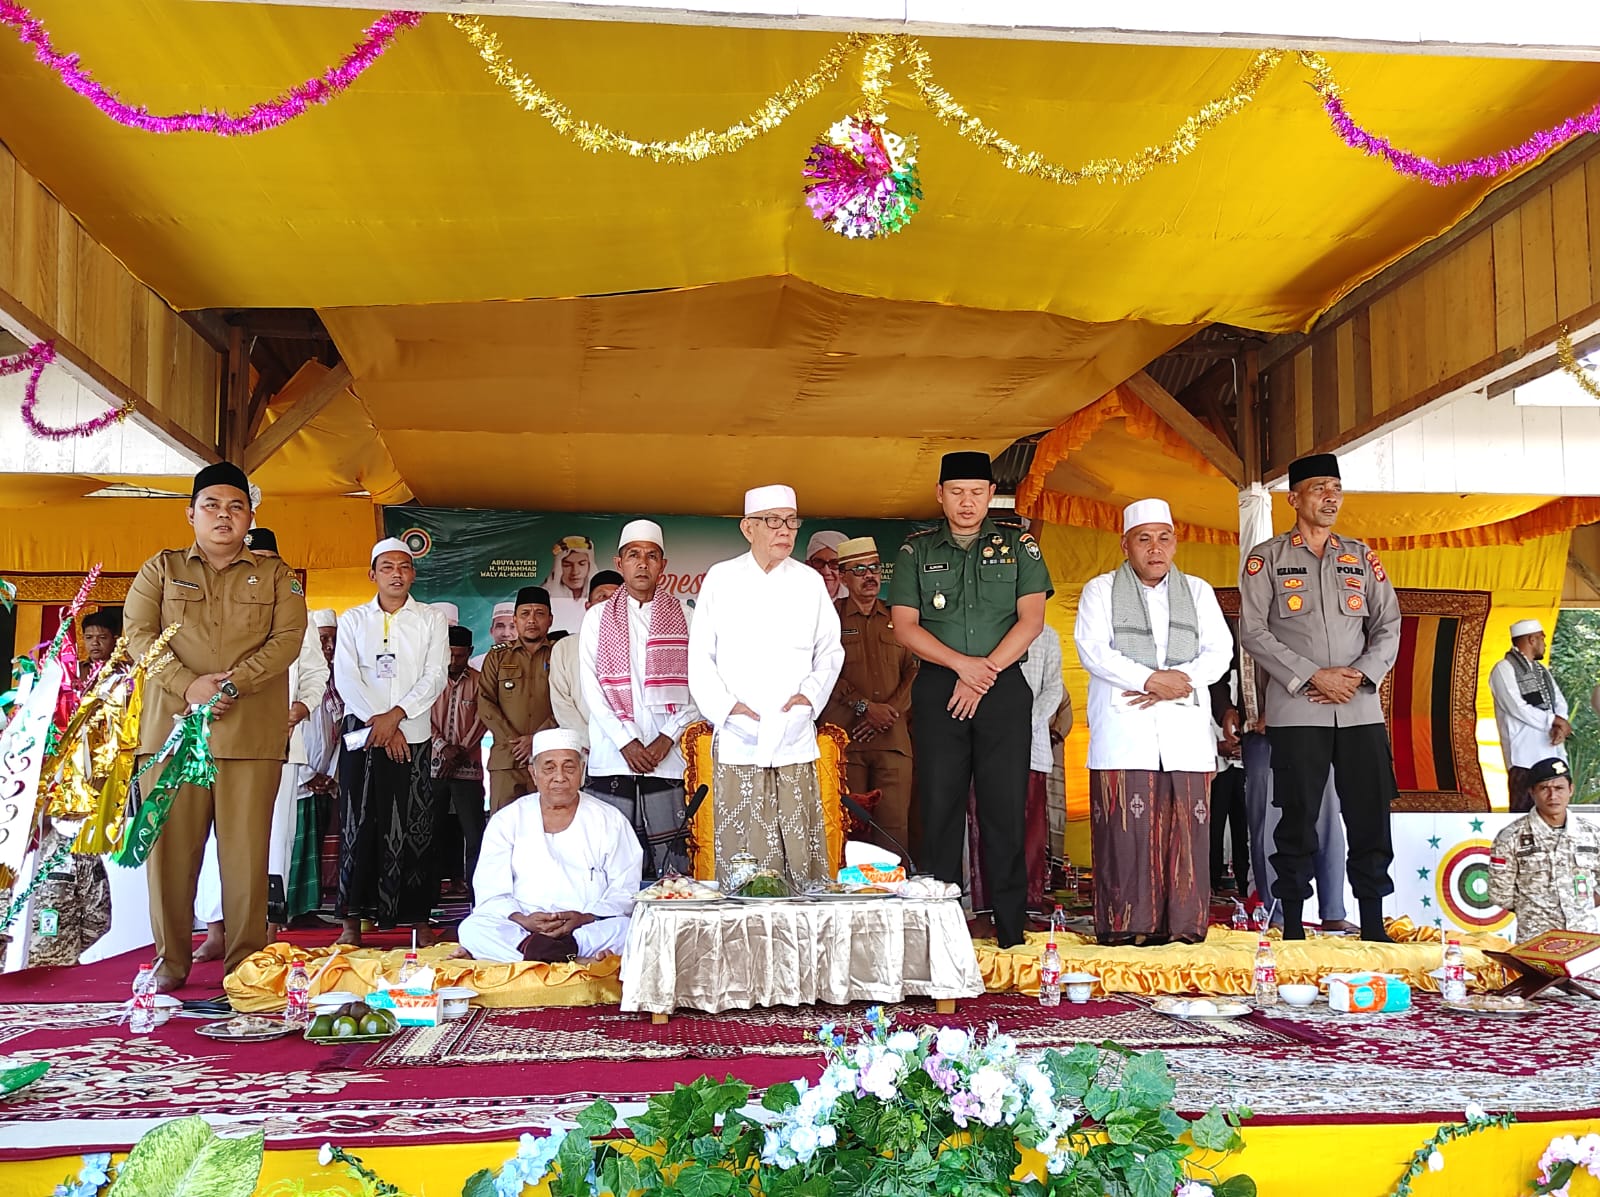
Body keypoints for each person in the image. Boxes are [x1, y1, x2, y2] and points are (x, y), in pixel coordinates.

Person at [123, 461, 307, 991]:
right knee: (169, 854)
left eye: (235, 507)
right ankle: (170, 961)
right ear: (191, 514)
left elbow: (288, 640)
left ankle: (244, 966)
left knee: (246, 858)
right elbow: (137, 635)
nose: (223, 516)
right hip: (174, 736)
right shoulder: (159, 569)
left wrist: (231, 685)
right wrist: (189, 685)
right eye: (211, 506)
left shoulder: (278, 576)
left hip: (249, 738)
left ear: (250, 516)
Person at [889, 452, 1051, 949]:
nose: (967, 502)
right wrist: (962, 667)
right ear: (940, 495)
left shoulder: (1019, 546)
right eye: (957, 492)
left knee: (1005, 809)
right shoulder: (916, 551)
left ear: (991, 495)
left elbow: (1032, 620)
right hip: (941, 688)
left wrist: (982, 673)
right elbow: (904, 626)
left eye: (977, 492)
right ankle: (939, 933)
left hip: (1002, 688)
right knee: (940, 808)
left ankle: (1009, 931)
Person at [1239, 452, 1402, 942]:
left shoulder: (1360, 556)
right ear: (1294, 499)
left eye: (1336, 488)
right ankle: (1291, 926)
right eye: (1319, 489)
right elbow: (1253, 631)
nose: (1330, 498)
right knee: (1296, 818)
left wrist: (1359, 674)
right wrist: (1312, 676)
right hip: (1298, 709)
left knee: (1370, 817)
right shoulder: (1267, 558)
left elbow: (1389, 624)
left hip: (1359, 707)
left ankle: (1372, 926)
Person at [1074, 499, 1232, 945]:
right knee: (1127, 834)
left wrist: (1178, 681)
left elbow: (1219, 651)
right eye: (1144, 539)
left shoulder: (1197, 591)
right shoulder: (1100, 590)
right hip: (1126, 729)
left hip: (1184, 730)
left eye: (1164, 538)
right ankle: (1127, 927)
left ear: (1175, 544)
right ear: (1125, 545)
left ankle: (1183, 928)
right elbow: (1093, 650)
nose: (1155, 548)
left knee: (1186, 834)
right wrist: (1148, 679)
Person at [688, 485, 844, 888]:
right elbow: (700, 658)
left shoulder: (809, 581)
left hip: (794, 734)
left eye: (791, 521)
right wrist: (729, 710)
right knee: (745, 855)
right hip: (739, 737)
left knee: (799, 847)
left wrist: (808, 699)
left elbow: (830, 651)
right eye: (773, 521)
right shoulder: (721, 579)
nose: (785, 530)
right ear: (748, 528)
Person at [334, 537, 449, 946]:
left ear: (413, 574)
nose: (396, 574)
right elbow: (346, 677)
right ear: (372, 574)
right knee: (358, 824)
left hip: (412, 735)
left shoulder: (431, 619)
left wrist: (397, 716)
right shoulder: (353, 619)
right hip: (364, 737)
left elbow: (435, 675)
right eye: (387, 567)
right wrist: (381, 725)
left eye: (404, 567)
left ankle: (417, 919)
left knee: (416, 826)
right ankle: (351, 923)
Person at [456, 728, 644, 962]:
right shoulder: (508, 819)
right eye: (549, 768)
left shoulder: (610, 819)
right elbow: (490, 890)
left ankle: (537, 956)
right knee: (472, 929)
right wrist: (524, 920)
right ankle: (571, 959)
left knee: (632, 929)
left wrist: (584, 917)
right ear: (533, 773)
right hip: (524, 928)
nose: (559, 777)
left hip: (584, 929)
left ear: (582, 770)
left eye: (569, 767)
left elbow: (625, 890)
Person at [581, 523, 699, 879]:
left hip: (668, 759)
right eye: (634, 555)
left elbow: (700, 686)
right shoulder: (597, 617)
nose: (643, 563)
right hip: (613, 757)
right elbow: (592, 687)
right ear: (620, 563)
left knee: (674, 863)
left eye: (651, 556)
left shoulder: (687, 617)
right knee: (610, 862)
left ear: (663, 565)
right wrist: (625, 741)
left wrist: (667, 738)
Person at [820, 536, 918, 858]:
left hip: (892, 741)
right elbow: (821, 670)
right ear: (843, 577)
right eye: (859, 570)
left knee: (894, 831)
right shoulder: (829, 618)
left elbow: (915, 671)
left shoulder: (898, 617)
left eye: (874, 568)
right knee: (849, 830)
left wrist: (887, 712)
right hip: (846, 742)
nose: (869, 576)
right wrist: (863, 706)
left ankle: (894, 888)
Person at [1488, 756, 1600, 941]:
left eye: (1559, 788)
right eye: (1544, 788)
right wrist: (1533, 909)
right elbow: (1500, 894)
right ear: (1532, 792)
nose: (1553, 796)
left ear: (1571, 790)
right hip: (1537, 940)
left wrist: (1581, 904)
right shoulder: (1511, 837)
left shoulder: (1592, 834)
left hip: (1584, 939)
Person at [478, 586, 558, 816]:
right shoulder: (498, 656)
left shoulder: (560, 654)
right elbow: (485, 702)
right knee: (504, 826)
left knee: (549, 824)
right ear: (515, 620)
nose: (531, 620)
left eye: (539, 613)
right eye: (525, 614)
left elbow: (567, 701)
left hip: (549, 759)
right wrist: (516, 742)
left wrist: (536, 740)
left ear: (550, 620)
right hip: (507, 758)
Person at [286, 608, 343, 922]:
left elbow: (339, 733)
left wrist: (330, 774)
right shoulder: (296, 680)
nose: (329, 647)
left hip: (323, 780)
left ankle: (307, 909)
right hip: (297, 780)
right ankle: (287, 911)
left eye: (334, 640)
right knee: (294, 847)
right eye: (323, 640)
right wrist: (307, 775)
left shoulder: (335, 683)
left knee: (315, 848)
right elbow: (292, 732)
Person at [0, 818, 111, 968]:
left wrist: (61, 950)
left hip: (58, 971)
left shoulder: (78, 853)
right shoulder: (4, 852)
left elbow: (98, 918)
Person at [1489, 619, 1573, 812]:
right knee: (1524, 813)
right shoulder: (1504, 668)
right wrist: (1552, 720)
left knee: (1553, 812)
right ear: (1531, 640)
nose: (1544, 643)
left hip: (1550, 752)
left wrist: (1559, 726)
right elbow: (1516, 707)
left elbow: (1559, 702)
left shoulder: (1541, 671)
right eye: (1542, 638)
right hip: (1523, 757)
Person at [431, 624, 489, 898]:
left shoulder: (480, 682)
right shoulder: (430, 681)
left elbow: (483, 719)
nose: (454, 661)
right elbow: (421, 716)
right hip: (435, 768)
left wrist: (460, 752)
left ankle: (476, 892)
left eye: (460, 655)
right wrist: (443, 748)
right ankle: (428, 892)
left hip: (468, 769)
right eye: (450, 655)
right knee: (431, 832)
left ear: (470, 652)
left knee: (474, 832)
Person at [1016, 622, 1064, 911]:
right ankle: (987, 904)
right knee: (987, 823)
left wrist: (1025, 721)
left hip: (1033, 742)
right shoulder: (986, 625)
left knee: (1032, 826)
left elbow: (1054, 688)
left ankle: (1029, 899)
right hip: (988, 739)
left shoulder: (1046, 634)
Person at [551, 570, 623, 741]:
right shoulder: (564, 648)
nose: (608, 603)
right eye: (602, 597)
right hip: (582, 746)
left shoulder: (640, 646)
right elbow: (561, 703)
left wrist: (625, 742)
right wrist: (590, 741)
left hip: (632, 746)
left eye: (615, 598)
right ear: (588, 606)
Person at [545, 535, 597, 634]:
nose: (575, 572)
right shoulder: (546, 595)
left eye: (582, 564)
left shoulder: (602, 597)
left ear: (590, 565)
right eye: (567, 565)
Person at [470, 601, 517, 671]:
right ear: (491, 631)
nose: (506, 634)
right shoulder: (475, 664)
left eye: (513, 627)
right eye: (500, 626)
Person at [80, 609, 121, 683]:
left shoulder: (125, 669)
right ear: (83, 639)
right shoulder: (75, 670)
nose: (95, 643)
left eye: (102, 637)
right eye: (89, 637)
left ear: (115, 640)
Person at [805, 529, 848, 600]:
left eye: (834, 563)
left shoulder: (855, 600)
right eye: (818, 562)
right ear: (808, 565)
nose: (826, 571)